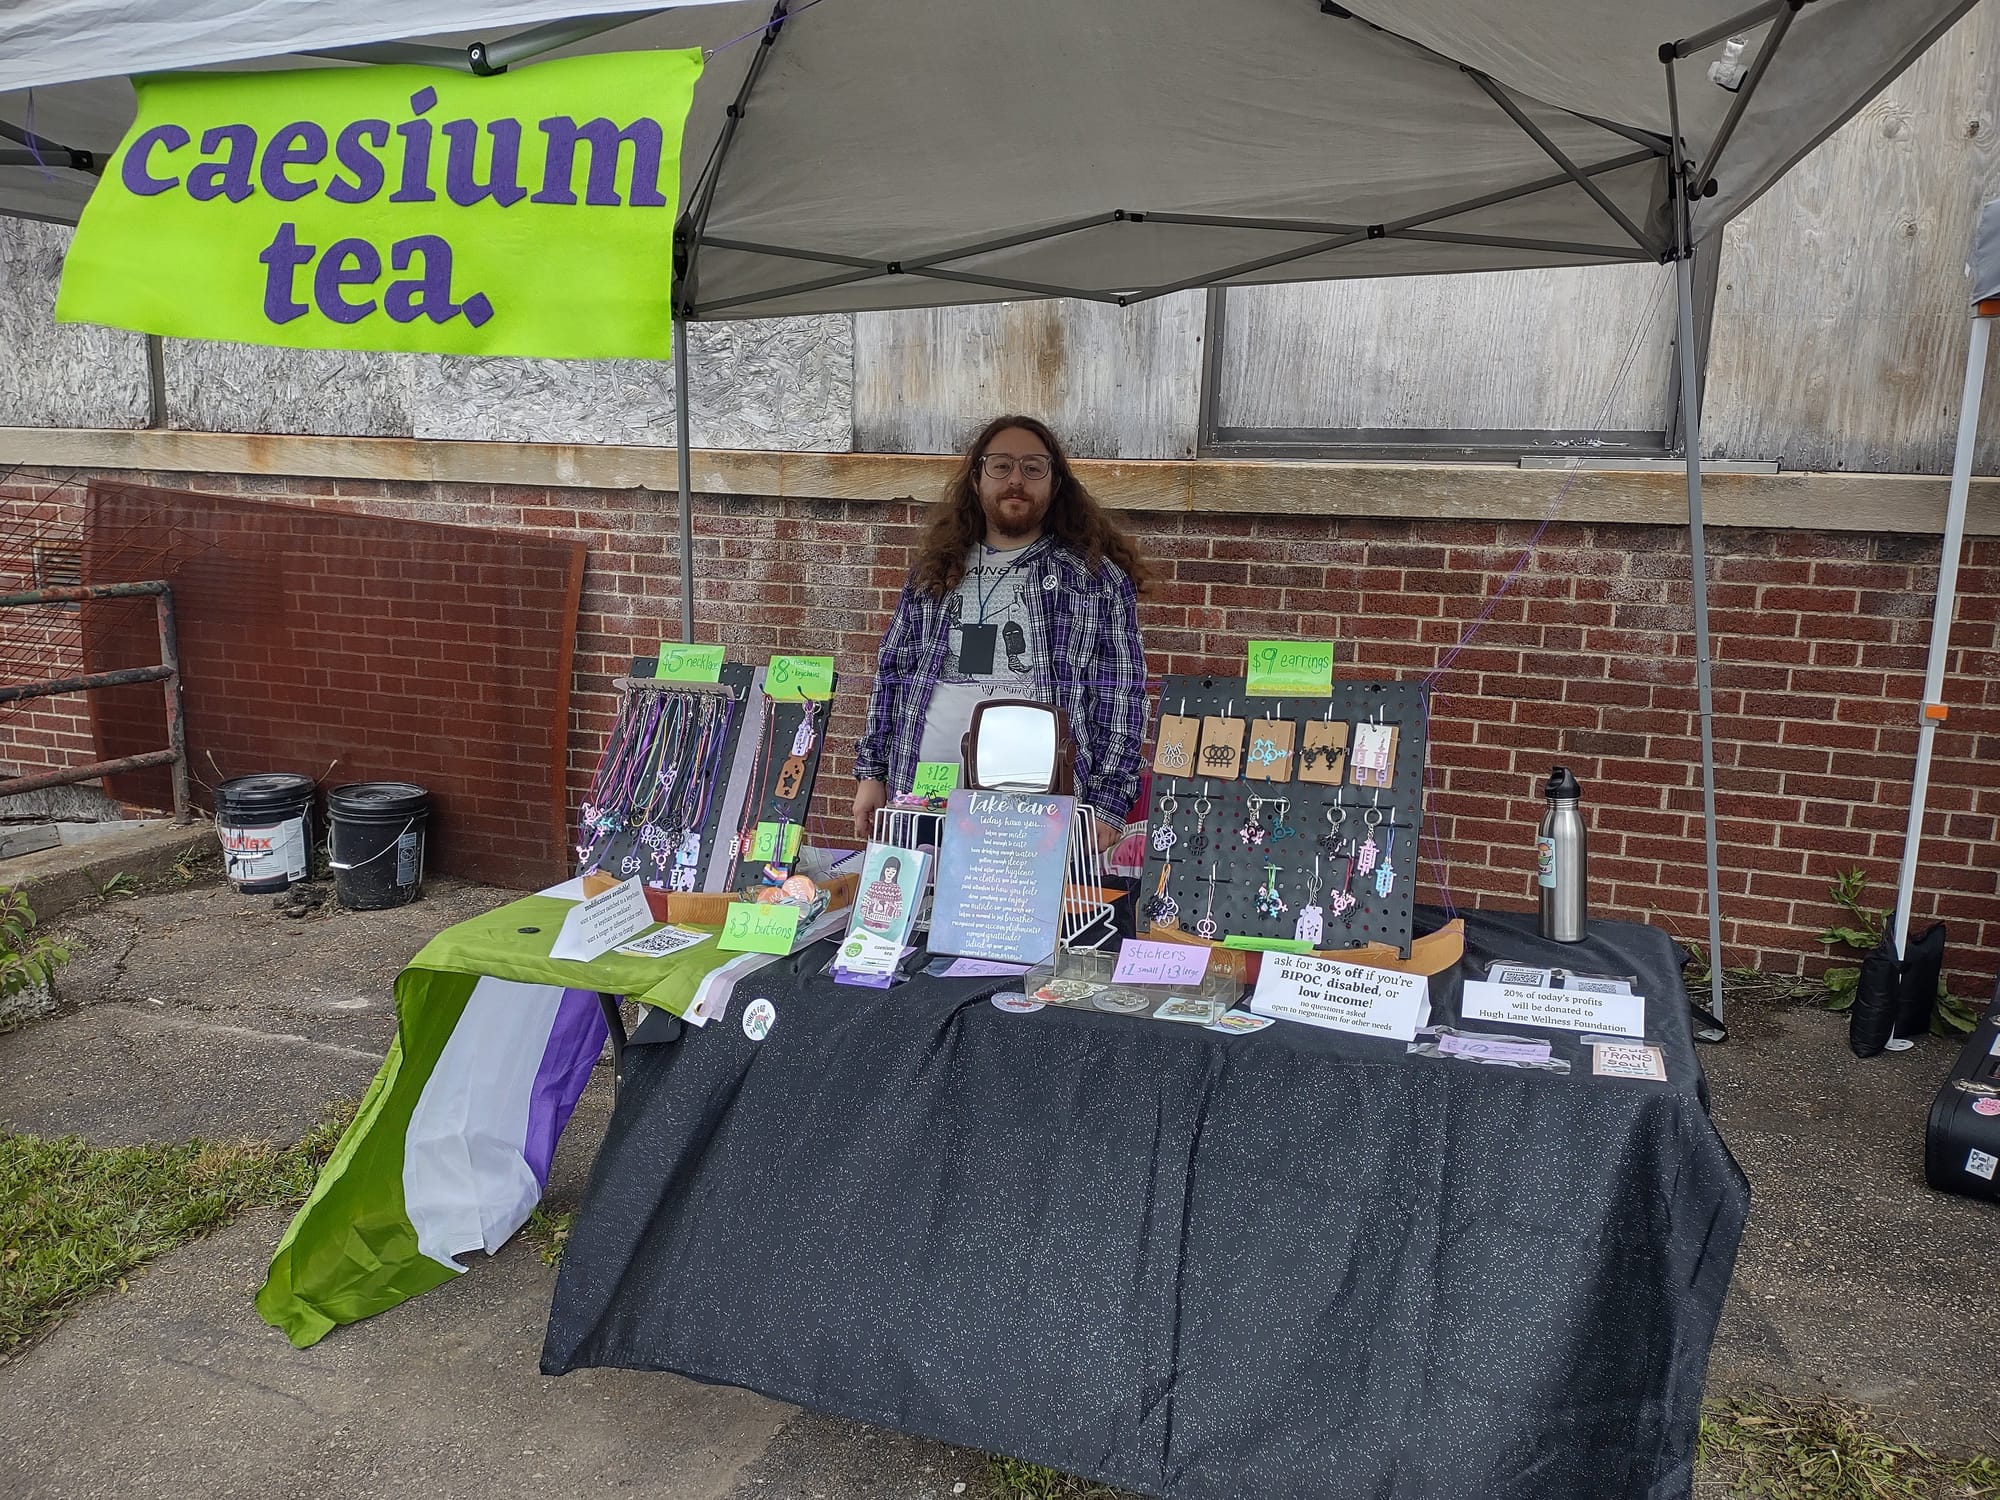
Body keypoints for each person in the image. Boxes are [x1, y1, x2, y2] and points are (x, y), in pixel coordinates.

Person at [852, 415, 1150, 850]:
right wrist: (872, 774)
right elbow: (893, 672)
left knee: (1016, 916)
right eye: (1001, 465)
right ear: (976, 478)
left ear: (1054, 483)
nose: (1016, 479)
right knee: (924, 917)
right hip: (923, 797)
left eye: (1033, 468)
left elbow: (1121, 694)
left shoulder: (1092, 579)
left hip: (1037, 809)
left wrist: (1107, 804)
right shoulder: (935, 570)